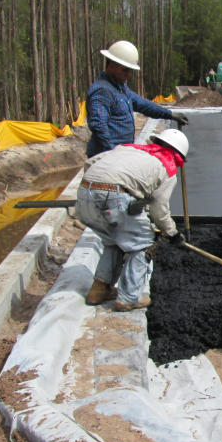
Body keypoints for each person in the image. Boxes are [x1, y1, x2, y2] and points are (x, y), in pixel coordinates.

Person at [76, 128, 189, 311]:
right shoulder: (165, 166)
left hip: (85, 193)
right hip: (113, 197)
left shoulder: (127, 149)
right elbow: (159, 208)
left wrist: (109, 191)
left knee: (114, 240)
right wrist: (172, 233)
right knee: (144, 242)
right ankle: (129, 298)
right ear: (178, 155)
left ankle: (99, 290)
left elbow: (90, 163)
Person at [85, 40, 187, 158]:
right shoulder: (103, 91)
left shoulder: (120, 88)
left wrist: (170, 114)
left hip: (119, 155)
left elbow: (143, 104)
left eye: (130, 70)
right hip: (105, 159)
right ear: (112, 65)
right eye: (125, 70)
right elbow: (99, 126)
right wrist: (111, 154)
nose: (129, 74)